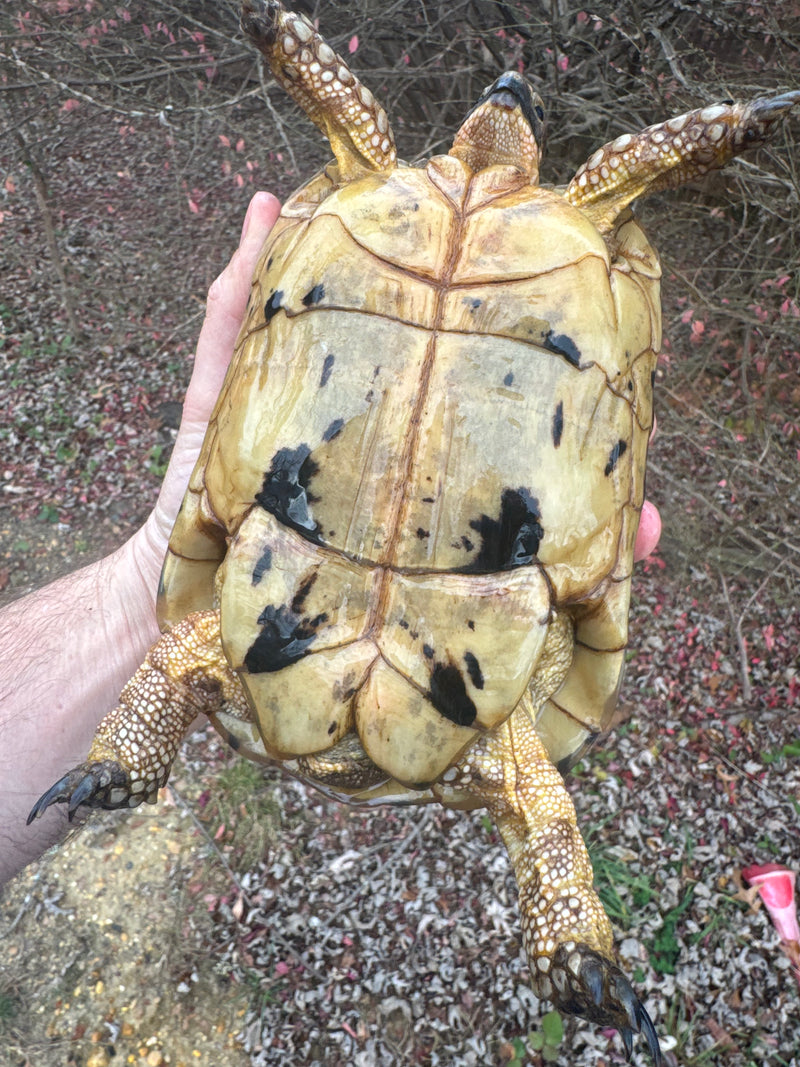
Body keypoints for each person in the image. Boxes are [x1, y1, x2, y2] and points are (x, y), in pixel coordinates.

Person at [0, 192, 662, 889]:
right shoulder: (585, 235)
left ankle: (124, 763)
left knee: (195, 652)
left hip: (294, 586)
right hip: (476, 640)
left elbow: (184, 652)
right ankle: (570, 943)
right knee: (524, 781)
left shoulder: (363, 195)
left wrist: (128, 741)